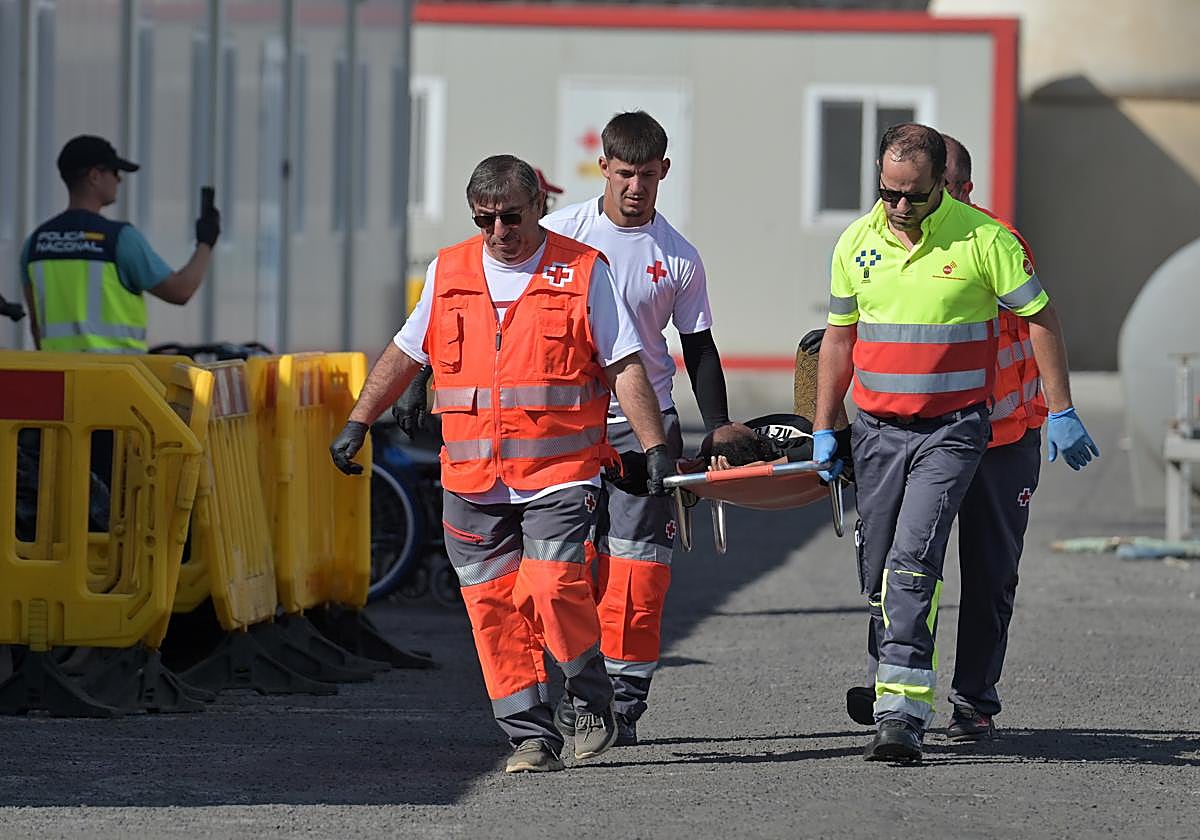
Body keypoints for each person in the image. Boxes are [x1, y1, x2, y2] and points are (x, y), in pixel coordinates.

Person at [329, 154, 673, 774]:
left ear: (538, 206)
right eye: (483, 219)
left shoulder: (582, 271)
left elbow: (625, 365)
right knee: (491, 609)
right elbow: (406, 352)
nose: (497, 233)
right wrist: (358, 422)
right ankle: (530, 737)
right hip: (471, 479)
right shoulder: (450, 269)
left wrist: (652, 446)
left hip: (560, 472)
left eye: (510, 218)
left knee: (552, 585)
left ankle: (592, 702)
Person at [813, 123, 1099, 763]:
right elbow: (838, 338)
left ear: (948, 185)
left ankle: (938, 704)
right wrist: (825, 424)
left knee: (960, 569)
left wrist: (1061, 411)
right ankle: (893, 676)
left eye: (917, 194)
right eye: (889, 193)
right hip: (886, 430)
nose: (901, 207)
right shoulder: (860, 242)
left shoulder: (988, 243)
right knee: (887, 565)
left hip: (985, 432)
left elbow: (1039, 324)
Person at [538, 110, 737, 746]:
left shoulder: (677, 257)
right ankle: (574, 687)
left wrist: (721, 427)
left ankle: (623, 701)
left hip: (647, 428)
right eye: (624, 173)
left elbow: (700, 348)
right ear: (603, 168)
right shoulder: (558, 235)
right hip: (568, 423)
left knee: (639, 568)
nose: (635, 187)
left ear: (664, 172)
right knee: (565, 564)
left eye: (647, 176)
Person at [20, 134, 221, 353]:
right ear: (95, 176)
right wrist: (206, 242)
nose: (119, 180)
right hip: (117, 380)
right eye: (115, 172)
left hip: (60, 380)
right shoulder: (118, 238)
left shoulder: (35, 243)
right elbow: (181, 291)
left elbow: (36, 326)